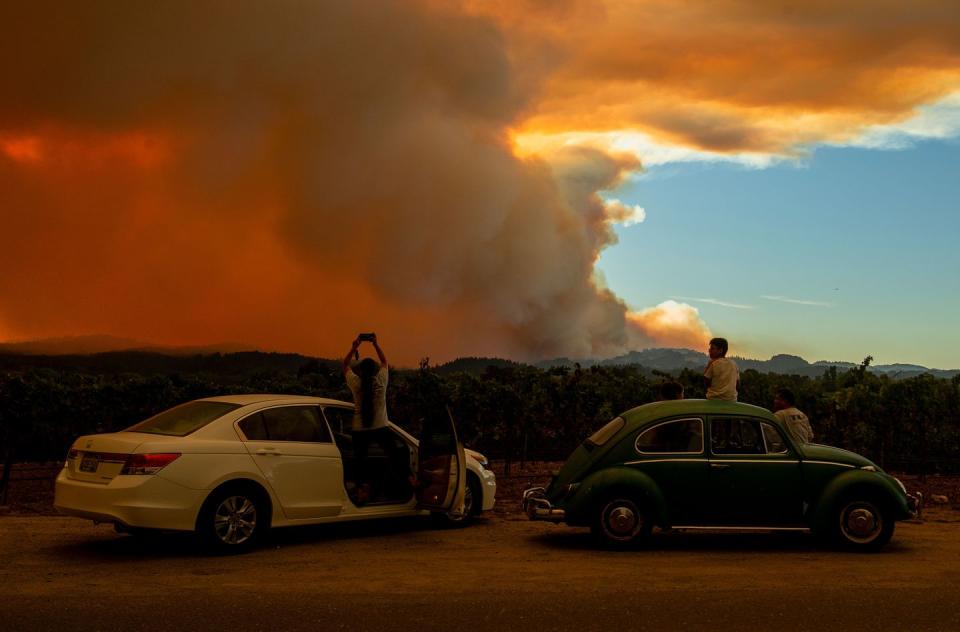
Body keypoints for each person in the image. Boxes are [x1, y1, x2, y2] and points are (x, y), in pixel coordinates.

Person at [342, 333, 389, 504]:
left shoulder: (356, 383)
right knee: (397, 454)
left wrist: (354, 347)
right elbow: (385, 362)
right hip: (380, 428)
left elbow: (345, 364)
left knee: (360, 463)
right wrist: (376, 345)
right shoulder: (381, 382)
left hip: (359, 430)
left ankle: (362, 493)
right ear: (375, 370)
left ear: (360, 371)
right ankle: (407, 481)